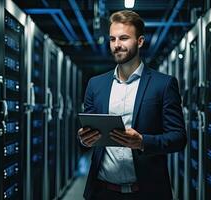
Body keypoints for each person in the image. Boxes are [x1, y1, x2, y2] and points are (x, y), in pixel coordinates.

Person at [78, 10, 186, 200]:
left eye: (124, 38)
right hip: (103, 192)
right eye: (112, 39)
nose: (117, 45)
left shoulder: (163, 84)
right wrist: (84, 139)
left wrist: (142, 142)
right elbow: (89, 132)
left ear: (140, 41)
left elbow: (178, 137)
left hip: (147, 192)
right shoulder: (96, 85)